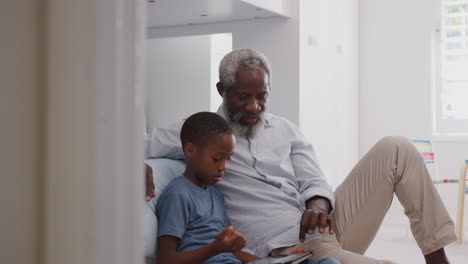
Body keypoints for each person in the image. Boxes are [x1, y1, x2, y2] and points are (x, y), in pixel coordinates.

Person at [146, 49, 457, 264]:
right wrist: (137, 165)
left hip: (326, 231)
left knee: (397, 147)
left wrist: (319, 202)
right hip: (286, 251)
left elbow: (314, 179)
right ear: (222, 90)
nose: (254, 106)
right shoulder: (200, 135)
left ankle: (437, 257)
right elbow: (125, 143)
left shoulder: (286, 130)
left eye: (262, 96)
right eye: (244, 97)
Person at [156, 111, 340, 264]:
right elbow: (165, 260)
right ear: (190, 150)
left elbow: (231, 252)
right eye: (217, 159)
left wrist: (275, 261)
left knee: (328, 263)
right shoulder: (178, 194)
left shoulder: (214, 194)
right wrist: (214, 249)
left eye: (228, 159)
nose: (223, 167)